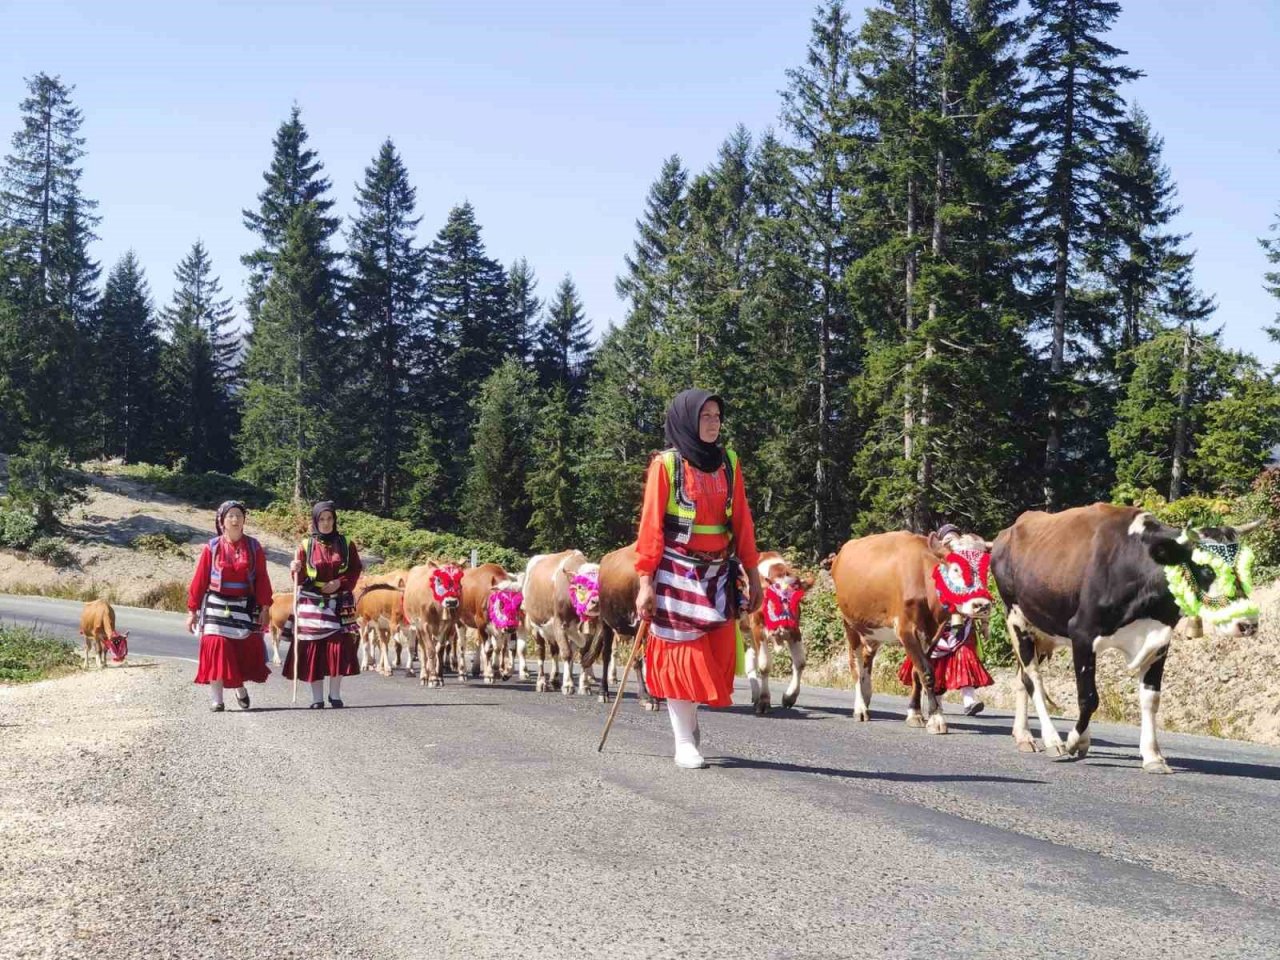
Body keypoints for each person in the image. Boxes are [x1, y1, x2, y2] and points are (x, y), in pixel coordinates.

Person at [635, 389, 762, 769]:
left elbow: (742, 521)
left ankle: (690, 721)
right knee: (681, 654)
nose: (712, 423)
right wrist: (645, 582)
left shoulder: (730, 463)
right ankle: (683, 741)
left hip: (719, 571)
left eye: (717, 416)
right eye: (705, 416)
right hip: (676, 570)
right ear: (688, 419)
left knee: (716, 654)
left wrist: (754, 576)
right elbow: (651, 527)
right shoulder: (666, 465)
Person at [897, 522, 994, 715]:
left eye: (955, 536)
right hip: (938, 619)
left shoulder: (968, 559)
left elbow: (978, 590)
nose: (952, 541)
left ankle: (969, 700)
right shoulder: (935, 563)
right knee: (935, 663)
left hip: (963, 619)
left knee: (965, 655)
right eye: (948, 538)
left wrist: (984, 623)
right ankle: (937, 701)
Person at [186, 500, 273, 712]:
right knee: (216, 648)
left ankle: (239, 687)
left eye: (239, 516)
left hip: (243, 606)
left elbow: (262, 578)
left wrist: (264, 608)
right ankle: (217, 699)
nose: (235, 520)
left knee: (239, 652)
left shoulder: (254, 547)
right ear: (222, 521)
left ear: (244, 520)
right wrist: (192, 611)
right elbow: (200, 579)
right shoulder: (212, 547)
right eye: (230, 516)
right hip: (215, 604)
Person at [282, 501, 363, 708]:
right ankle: (317, 698)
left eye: (329, 519)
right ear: (315, 521)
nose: (326, 523)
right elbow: (298, 579)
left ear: (335, 520)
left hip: (338, 601)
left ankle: (335, 694)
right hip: (311, 602)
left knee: (338, 646)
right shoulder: (305, 546)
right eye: (322, 519)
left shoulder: (346, 543)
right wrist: (295, 568)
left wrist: (339, 582)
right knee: (312, 649)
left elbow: (354, 570)